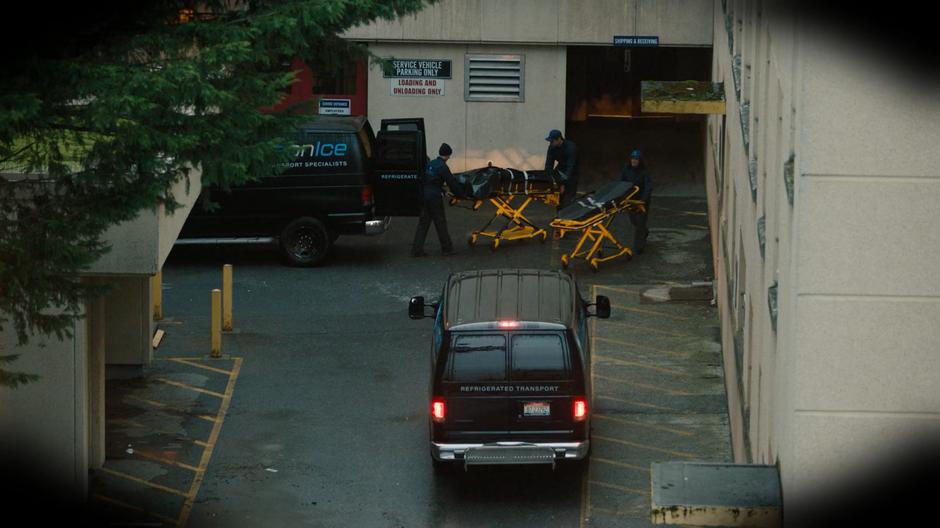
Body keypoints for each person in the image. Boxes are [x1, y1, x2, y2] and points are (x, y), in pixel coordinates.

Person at [411, 143, 465, 257]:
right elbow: (452, 183)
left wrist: (444, 191)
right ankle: (447, 249)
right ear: (447, 155)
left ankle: (416, 250)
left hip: (425, 196)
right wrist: (461, 195)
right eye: (449, 156)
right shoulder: (443, 167)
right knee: (440, 222)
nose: (449, 158)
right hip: (434, 198)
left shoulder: (431, 164)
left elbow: (430, 181)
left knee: (423, 223)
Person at [620, 149, 652, 254]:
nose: (634, 161)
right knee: (634, 221)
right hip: (630, 200)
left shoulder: (644, 172)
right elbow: (621, 183)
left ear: (640, 160)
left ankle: (638, 247)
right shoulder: (626, 169)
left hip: (641, 201)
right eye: (633, 158)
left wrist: (643, 200)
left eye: (636, 159)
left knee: (640, 224)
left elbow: (648, 187)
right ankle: (644, 232)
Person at [544, 129, 579, 209]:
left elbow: (570, 166)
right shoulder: (552, 147)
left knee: (569, 196)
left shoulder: (571, 148)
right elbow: (549, 163)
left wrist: (563, 183)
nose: (550, 143)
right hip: (561, 168)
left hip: (572, 172)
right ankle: (559, 211)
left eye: (552, 141)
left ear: (559, 139)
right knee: (558, 196)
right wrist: (547, 176)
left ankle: (569, 211)